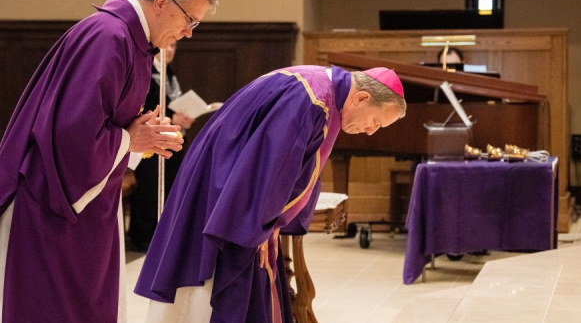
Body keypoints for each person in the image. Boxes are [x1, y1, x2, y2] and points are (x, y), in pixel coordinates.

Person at [0, 0, 218, 322]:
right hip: (48, 204)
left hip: (84, 203)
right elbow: (69, 139)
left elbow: (104, 123)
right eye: (190, 20)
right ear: (161, 1)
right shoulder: (109, 38)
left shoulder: (135, 44)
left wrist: (138, 136)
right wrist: (130, 140)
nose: (188, 33)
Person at [135, 64, 407, 322]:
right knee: (222, 284)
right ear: (361, 97)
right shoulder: (313, 99)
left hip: (225, 183)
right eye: (375, 121)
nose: (371, 131)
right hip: (232, 200)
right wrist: (259, 227)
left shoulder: (318, 87)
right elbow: (271, 165)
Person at [128, 40, 196, 252]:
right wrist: (171, 115)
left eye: (175, 47)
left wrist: (183, 117)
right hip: (149, 135)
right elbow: (146, 105)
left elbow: (174, 100)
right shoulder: (146, 71)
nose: (170, 51)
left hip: (170, 134)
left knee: (169, 185)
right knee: (149, 186)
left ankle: (162, 232)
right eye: (168, 46)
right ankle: (142, 235)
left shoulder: (170, 73)